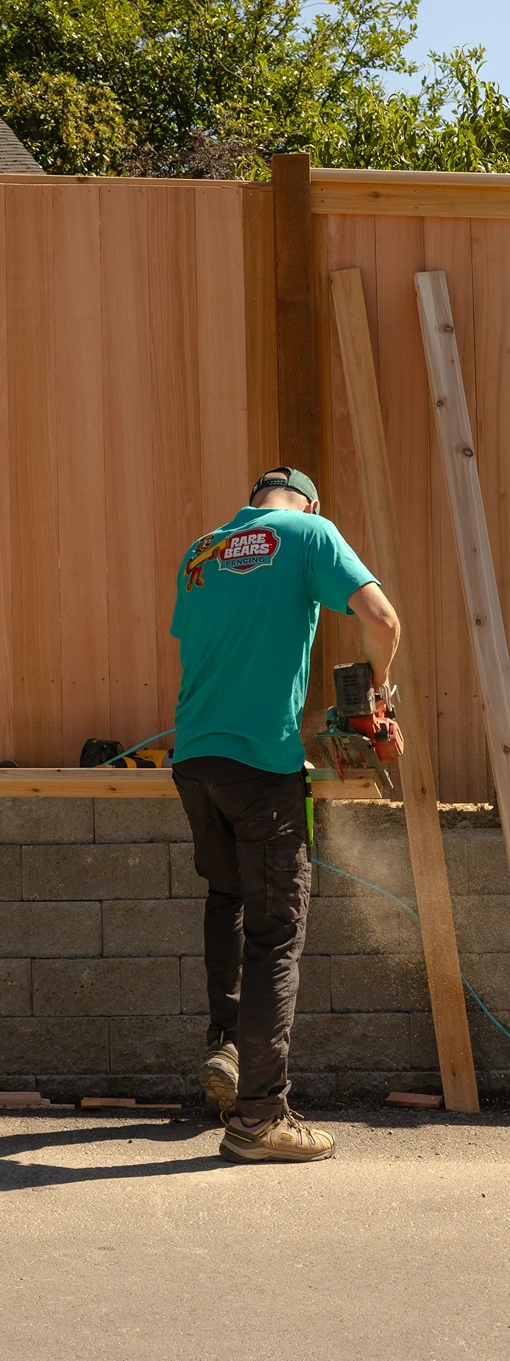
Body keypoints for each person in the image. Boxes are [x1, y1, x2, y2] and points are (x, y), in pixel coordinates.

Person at [170, 467, 399, 1164]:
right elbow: (381, 618)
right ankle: (259, 1120)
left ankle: (228, 1050)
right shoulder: (309, 532)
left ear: (252, 500)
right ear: (311, 503)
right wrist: (376, 699)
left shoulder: (202, 551)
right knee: (276, 934)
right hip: (260, 767)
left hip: (194, 759)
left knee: (226, 897)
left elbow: (212, 647)